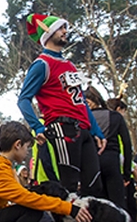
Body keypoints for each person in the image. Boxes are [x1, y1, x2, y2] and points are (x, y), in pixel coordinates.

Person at [17, 13, 105, 196]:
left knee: (95, 186)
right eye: (60, 28)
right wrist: (37, 127)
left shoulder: (71, 66)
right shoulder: (41, 64)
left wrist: (97, 131)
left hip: (85, 130)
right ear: (48, 33)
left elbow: (81, 101)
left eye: (65, 28)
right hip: (62, 128)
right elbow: (23, 99)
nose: (65, 31)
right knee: (68, 186)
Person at [85, 87, 132, 211]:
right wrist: (127, 173)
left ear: (88, 102)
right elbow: (127, 144)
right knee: (119, 208)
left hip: (91, 165)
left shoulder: (82, 119)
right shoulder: (115, 116)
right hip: (112, 163)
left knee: (96, 209)